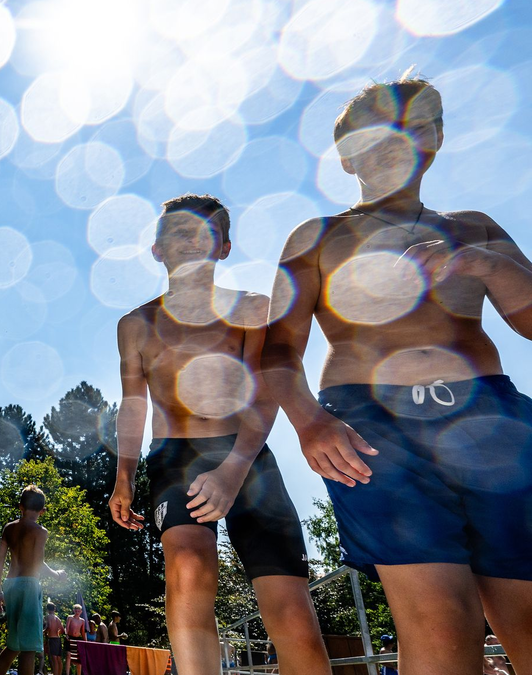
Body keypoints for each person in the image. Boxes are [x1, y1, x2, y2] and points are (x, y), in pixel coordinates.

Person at [262, 74, 532, 675]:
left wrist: (480, 263)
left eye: (413, 125)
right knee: (442, 625)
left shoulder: (475, 226)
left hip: (492, 422)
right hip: (372, 427)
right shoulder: (317, 237)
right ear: (346, 152)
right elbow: (278, 351)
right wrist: (309, 423)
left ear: (435, 139)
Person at [108, 194, 331, 675]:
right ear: (156, 249)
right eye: (177, 233)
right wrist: (123, 476)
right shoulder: (136, 325)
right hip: (176, 456)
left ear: (224, 247)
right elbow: (133, 405)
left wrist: (233, 469)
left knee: (291, 607)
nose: (188, 241)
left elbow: (265, 390)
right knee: (187, 566)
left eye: (201, 233)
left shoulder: (251, 308)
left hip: (247, 454)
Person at [0, 485, 65, 675]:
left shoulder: (9, 528)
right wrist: (57, 574)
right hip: (29, 585)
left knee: (14, 644)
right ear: (43, 511)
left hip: (10, 585)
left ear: (20, 507)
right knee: (30, 647)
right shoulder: (40, 532)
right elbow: (38, 563)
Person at [62, 604, 86, 675]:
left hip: (78, 639)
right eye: (76, 610)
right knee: (68, 654)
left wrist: (85, 641)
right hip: (69, 637)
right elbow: (67, 627)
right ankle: (67, 673)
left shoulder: (82, 621)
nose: (77, 612)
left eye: (78, 611)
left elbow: (82, 631)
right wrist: (66, 635)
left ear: (81, 611)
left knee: (78, 657)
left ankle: (78, 673)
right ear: (74, 610)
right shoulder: (70, 618)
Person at [44, 602, 65, 675]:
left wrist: (43, 632)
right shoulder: (57, 618)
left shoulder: (48, 617)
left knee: (54, 659)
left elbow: (48, 627)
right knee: (59, 658)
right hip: (58, 639)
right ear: (54, 609)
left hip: (52, 639)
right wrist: (57, 633)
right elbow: (62, 630)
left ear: (47, 609)